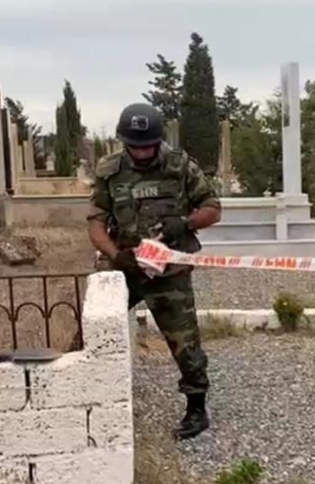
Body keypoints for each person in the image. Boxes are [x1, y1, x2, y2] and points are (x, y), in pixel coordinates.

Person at [86, 103, 222, 440]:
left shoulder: (179, 165)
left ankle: (196, 408)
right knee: (92, 328)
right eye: (136, 146)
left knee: (185, 343)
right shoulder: (110, 171)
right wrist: (116, 256)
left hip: (169, 272)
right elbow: (96, 223)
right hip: (127, 268)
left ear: (158, 140)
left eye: (148, 146)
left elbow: (213, 208)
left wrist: (184, 223)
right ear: (125, 143)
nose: (143, 152)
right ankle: (88, 397)